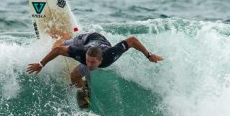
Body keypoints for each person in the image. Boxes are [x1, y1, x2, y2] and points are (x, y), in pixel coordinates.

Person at [26, 32, 164, 108]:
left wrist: (149, 55)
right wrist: (41, 64)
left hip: (101, 41)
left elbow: (132, 40)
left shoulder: (110, 55)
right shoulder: (81, 54)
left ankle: (84, 90)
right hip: (86, 39)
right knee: (58, 50)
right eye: (87, 62)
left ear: (100, 61)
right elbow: (58, 50)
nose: (89, 64)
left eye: (92, 63)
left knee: (75, 74)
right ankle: (61, 36)